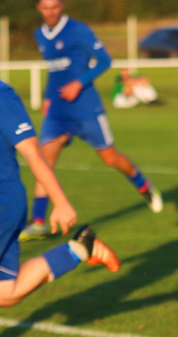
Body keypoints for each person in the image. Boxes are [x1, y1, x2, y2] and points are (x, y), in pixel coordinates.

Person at [19, 0, 162, 242]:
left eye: (55, 7)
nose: (50, 12)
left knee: (110, 159)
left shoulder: (78, 30)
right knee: (43, 161)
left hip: (86, 109)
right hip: (58, 112)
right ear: (38, 8)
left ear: (62, 6)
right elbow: (55, 73)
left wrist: (78, 83)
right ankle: (38, 221)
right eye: (45, 8)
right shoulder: (39, 35)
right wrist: (48, 99)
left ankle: (143, 185)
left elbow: (105, 61)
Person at [1, 82, 119, 307]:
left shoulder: (1, 96)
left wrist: (60, 202)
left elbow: (33, 152)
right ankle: (78, 249)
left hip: (3, 202)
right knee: (6, 292)